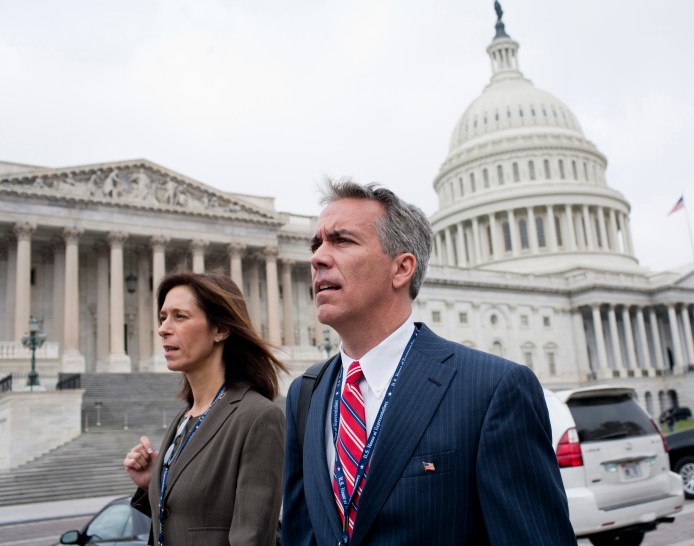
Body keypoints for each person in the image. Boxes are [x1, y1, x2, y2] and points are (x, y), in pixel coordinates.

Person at [282, 178, 575, 545]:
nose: (317, 257)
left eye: (342, 241)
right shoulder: (305, 395)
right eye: (316, 244)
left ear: (402, 268)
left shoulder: (491, 390)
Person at [123, 271, 286, 546]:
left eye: (180, 316)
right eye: (163, 317)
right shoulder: (183, 418)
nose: (163, 328)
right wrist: (157, 482)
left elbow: (251, 538)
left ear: (220, 329)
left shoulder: (257, 417)